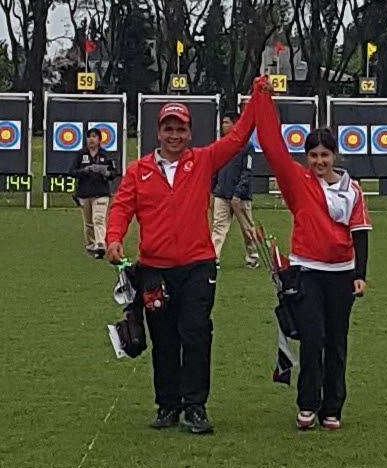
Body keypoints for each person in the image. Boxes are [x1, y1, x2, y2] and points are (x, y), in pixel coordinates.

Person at [105, 82, 268, 434]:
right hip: (154, 270)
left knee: (195, 332)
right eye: (168, 128)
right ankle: (167, 406)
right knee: (164, 339)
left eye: (181, 128)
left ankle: (195, 407)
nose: (174, 135)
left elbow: (239, 137)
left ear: (190, 132)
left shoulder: (204, 160)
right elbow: (122, 207)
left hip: (197, 265)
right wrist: (114, 237)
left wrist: (258, 97)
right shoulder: (139, 170)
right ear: (158, 132)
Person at [253, 85, 371, 431]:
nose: (319, 161)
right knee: (313, 338)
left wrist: (360, 275)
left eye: (325, 155)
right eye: (313, 155)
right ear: (306, 158)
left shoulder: (352, 189)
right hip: (306, 271)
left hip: (342, 274)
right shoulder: (299, 182)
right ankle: (308, 404)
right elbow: (273, 148)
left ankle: (332, 408)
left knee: (336, 341)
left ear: (335, 156)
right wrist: (263, 100)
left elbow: (361, 232)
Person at [211, 112, 260, 269]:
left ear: (235, 124)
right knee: (219, 225)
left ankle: (253, 257)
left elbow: (247, 171)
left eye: (226, 122)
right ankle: (214, 258)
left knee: (247, 227)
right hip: (222, 193)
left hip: (241, 197)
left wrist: (239, 193)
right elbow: (215, 167)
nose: (224, 125)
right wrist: (214, 187)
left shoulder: (247, 146)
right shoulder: (221, 144)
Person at [70, 126, 117, 258]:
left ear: (99, 140)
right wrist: (84, 171)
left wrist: (105, 172)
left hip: (101, 193)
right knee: (89, 223)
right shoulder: (81, 154)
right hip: (84, 193)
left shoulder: (105, 155)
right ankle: (91, 245)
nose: (91, 139)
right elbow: (71, 172)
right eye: (89, 136)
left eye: (94, 136)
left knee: (99, 218)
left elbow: (113, 173)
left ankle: (101, 244)